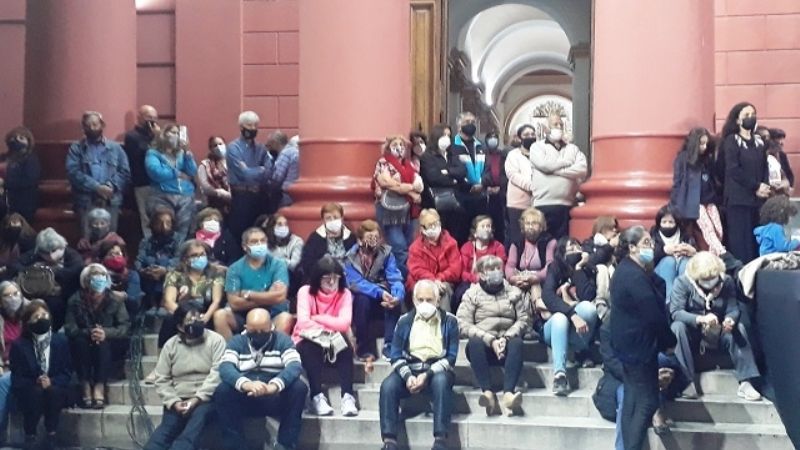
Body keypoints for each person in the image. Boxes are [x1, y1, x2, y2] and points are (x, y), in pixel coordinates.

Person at [610, 226, 677, 450]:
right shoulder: (632, 275)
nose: (651, 247)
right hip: (638, 347)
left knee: (632, 399)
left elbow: (657, 288)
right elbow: (652, 313)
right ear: (631, 248)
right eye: (646, 243)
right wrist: (669, 342)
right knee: (647, 401)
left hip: (630, 345)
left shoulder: (631, 271)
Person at [669, 252, 762, 402]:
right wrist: (700, 319)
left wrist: (730, 319)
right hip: (693, 334)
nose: (710, 282)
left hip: (719, 332)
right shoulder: (682, 283)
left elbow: (733, 308)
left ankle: (746, 381)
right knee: (677, 327)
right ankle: (686, 382)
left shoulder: (726, 282)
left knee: (740, 328)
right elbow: (676, 312)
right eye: (705, 279)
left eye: (712, 278)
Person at [379, 280, 458, 450]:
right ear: (414, 301)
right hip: (409, 369)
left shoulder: (450, 321)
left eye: (429, 300)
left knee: (441, 381)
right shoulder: (404, 321)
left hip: (436, 370)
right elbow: (395, 355)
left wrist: (427, 375)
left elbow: (451, 357)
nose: (424, 304)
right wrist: (408, 376)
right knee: (388, 386)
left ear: (437, 301)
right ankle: (389, 441)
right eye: (420, 299)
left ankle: (440, 440)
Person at [214, 308, 306, 450]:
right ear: (246, 328)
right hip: (246, 396)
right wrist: (246, 384)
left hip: (274, 396)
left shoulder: (283, 341)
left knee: (299, 388)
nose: (258, 335)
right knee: (222, 390)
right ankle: (235, 445)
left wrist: (273, 386)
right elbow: (225, 367)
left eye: (263, 331)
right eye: (254, 331)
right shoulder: (237, 342)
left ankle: (286, 444)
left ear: (272, 327)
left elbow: (295, 366)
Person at [595, 314, 688, 447]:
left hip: (650, 374)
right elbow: (613, 363)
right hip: (619, 380)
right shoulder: (609, 327)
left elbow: (670, 357)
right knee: (627, 392)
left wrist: (668, 373)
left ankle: (656, 404)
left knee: (662, 360)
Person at [144, 302, 226, 450]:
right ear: (180, 327)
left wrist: (196, 399)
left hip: (206, 399)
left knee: (194, 426)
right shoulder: (170, 345)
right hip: (179, 399)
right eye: (190, 321)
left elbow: (218, 373)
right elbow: (162, 378)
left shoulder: (216, 340)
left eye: (198, 318)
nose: (196, 323)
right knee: (162, 435)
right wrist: (174, 402)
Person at [456, 255, 529, 416]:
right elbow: (462, 323)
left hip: (507, 345)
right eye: (491, 269)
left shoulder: (513, 292)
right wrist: (490, 340)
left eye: (498, 268)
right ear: (481, 274)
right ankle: (487, 393)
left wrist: (506, 338)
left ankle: (508, 394)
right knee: (474, 343)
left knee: (517, 343)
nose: (496, 272)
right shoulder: (472, 294)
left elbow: (523, 319)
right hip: (484, 348)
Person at [292, 256, 358, 417]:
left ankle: (347, 396)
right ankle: (317, 396)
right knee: (311, 347)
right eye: (327, 278)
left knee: (344, 344)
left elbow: (344, 324)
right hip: (308, 338)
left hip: (334, 338)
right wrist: (329, 325)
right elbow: (303, 323)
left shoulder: (345, 294)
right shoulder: (305, 292)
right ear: (317, 279)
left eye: (336, 278)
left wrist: (317, 318)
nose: (332, 282)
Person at [63, 264, 130, 409]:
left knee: (102, 343)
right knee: (80, 342)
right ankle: (85, 384)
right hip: (83, 340)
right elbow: (70, 327)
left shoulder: (115, 300)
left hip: (110, 343)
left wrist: (105, 332)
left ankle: (100, 385)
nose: (99, 279)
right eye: (94, 276)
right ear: (86, 281)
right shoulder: (75, 300)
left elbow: (124, 327)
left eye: (102, 276)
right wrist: (90, 332)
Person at [540, 237, 599, 395]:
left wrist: (579, 268)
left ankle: (579, 350)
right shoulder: (555, 268)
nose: (574, 250)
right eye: (570, 248)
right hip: (553, 329)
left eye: (577, 246)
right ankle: (560, 375)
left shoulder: (588, 269)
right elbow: (547, 296)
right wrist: (571, 314)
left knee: (588, 308)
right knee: (560, 318)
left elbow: (587, 296)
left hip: (578, 333)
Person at [10, 301, 72, 449]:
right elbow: (16, 377)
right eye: (36, 316)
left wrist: (52, 381)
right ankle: (30, 435)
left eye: (44, 315)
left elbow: (67, 372)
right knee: (35, 393)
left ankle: (52, 435)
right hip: (29, 388)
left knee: (53, 392)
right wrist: (35, 381)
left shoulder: (60, 341)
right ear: (28, 322)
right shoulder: (19, 345)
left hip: (55, 386)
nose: (41, 318)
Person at [214, 227, 293, 339]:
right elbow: (234, 303)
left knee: (286, 318)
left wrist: (248, 294)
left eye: (263, 241)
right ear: (245, 247)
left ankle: (273, 353)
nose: (259, 244)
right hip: (242, 316)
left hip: (272, 314)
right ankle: (232, 353)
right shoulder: (234, 269)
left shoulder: (278, 265)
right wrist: (268, 297)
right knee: (220, 315)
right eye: (254, 242)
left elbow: (280, 297)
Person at [344, 220, 404, 360]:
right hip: (363, 299)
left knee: (395, 301)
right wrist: (380, 292)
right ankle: (363, 348)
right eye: (369, 238)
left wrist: (396, 295)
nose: (373, 242)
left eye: (376, 238)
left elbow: (395, 278)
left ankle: (390, 345)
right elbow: (355, 283)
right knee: (362, 300)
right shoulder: (349, 258)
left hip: (383, 298)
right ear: (359, 240)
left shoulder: (387, 254)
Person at [66, 111, 131, 233]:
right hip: (86, 201)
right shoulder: (76, 148)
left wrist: (109, 186)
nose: (92, 128)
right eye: (88, 125)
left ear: (102, 125)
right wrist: (97, 187)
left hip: (111, 200)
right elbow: (73, 172)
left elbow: (125, 172)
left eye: (95, 124)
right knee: (86, 241)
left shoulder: (116, 148)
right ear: (83, 128)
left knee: (110, 240)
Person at [720, 102, 769, 264]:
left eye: (753, 114)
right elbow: (733, 170)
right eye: (746, 115)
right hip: (738, 200)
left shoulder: (759, 141)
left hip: (757, 201)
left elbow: (764, 166)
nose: (751, 118)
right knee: (741, 243)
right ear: (738, 120)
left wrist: (764, 186)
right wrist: (755, 186)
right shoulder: (731, 141)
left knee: (756, 241)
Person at [670, 128, 729, 258]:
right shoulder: (683, 159)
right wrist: (675, 204)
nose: (704, 147)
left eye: (706, 144)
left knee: (718, 229)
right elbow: (678, 183)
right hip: (695, 203)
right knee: (708, 228)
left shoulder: (707, 159)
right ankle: (722, 254)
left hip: (710, 199)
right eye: (701, 143)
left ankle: (714, 256)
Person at [529, 113, 588, 239]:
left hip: (566, 206)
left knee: (563, 245)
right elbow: (544, 165)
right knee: (544, 244)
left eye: (561, 124)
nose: (559, 127)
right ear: (546, 128)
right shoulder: (537, 147)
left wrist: (557, 171)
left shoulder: (572, 148)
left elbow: (582, 169)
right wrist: (567, 163)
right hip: (543, 205)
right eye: (555, 124)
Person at [372, 135, 424, 278]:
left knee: (409, 246)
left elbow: (419, 185)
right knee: (399, 247)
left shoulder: (409, 164)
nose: (399, 147)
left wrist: (408, 189)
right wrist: (410, 190)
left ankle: (408, 279)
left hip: (409, 211)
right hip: (390, 212)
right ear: (388, 147)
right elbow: (386, 182)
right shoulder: (383, 163)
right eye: (395, 144)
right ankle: (404, 279)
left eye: (401, 144)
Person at [158, 240, 225, 349]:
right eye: (194, 255)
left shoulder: (215, 273)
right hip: (183, 314)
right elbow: (169, 302)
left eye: (202, 254)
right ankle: (162, 358)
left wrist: (205, 317)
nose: (200, 258)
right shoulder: (175, 275)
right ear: (185, 259)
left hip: (206, 314)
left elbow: (216, 301)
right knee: (169, 320)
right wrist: (186, 316)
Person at [14, 228, 83, 331]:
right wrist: (32, 269)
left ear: (62, 246)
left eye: (54, 250)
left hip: (63, 294)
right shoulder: (35, 253)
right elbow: (16, 265)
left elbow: (75, 270)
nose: (50, 256)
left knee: (55, 305)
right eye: (45, 253)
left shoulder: (72, 255)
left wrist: (51, 271)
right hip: (36, 292)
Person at [146, 123, 199, 241]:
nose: (176, 136)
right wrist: (177, 173)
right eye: (173, 132)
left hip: (185, 195)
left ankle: (180, 253)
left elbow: (192, 171)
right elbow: (156, 173)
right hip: (163, 195)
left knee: (184, 229)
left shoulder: (181, 153)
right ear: (163, 135)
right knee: (164, 227)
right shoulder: (153, 153)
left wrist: (188, 154)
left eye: (177, 133)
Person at [226, 111, 272, 242]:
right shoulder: (233, 148)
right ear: (241, 127)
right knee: (240, 234)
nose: (252, 129)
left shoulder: (261, 148)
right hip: (241, 196)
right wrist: (260, 170)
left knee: (262, 232)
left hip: (260, 196)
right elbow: (244, 175)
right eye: (249, 125)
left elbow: (269, 172)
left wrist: (251, 170)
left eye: (255, 125)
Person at [406, 209, 462, 312]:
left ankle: (444, 324)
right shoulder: (415, 247)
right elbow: (416, 269)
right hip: (422, 282)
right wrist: (432, 280)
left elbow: (455, 269)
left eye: (436, 224)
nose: (434, 228)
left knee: (443, 291)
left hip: (444, 282)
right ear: (422, 229)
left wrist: (439, 279)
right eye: (429, 225)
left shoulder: (451, 243)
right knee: (423, 293)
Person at [453, 215, 507, 314]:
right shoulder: (467, 247)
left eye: (489, 226)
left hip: (493, 281)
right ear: (475, 232)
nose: (487, 229)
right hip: (471, 282)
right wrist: (476, 279)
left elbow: (501, 269)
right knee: (460, 294)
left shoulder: (498, 247)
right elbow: (462, 273)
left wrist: (487, 278)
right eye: (483, 226)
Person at [505, 208, 556, 308]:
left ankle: (538, 306)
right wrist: (513, 278)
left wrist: (536, 277)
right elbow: (510, 265)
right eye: (527, 223)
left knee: (535, 285)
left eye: (534, 223)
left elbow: (550, 266)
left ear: (541, 226)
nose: (530, 227)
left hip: (540, 281)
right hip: (520, 279)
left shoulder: (549, 242)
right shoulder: (516, 243)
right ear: (523, 226)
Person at [419, 124, 462, 240]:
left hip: (454, 203)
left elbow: (462, 171)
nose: (446, 138)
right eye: (444, 135)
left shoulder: (453, 154)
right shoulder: (427, 157)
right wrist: (453, 180)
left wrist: (447, 171)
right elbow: (433, 177)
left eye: (449, 135)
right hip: (435, 203)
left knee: (454, 235)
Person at [450, 111, 487, 244]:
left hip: (480, 195)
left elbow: (487, 168)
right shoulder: (452, 146)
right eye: (467, 122)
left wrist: (483, 184)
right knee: (460, 233)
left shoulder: (481, 146)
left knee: (480, 233)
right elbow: (453, 170)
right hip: (461, 195)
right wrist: (469, 186)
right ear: (459, 126)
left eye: (473, 122)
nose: (471, 125)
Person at [124, 105, 160, 237]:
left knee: (161, 215)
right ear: (139, 117)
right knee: (147, 218)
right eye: (149, 117)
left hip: (159, 182)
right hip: (142, 183)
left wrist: (159, 137)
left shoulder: (157, 135)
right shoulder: (132, 136)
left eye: (155, 118)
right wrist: (157, 138)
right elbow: (143, 153)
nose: (152, 120)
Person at [136, 208, 182, 313]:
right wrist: (143, 271)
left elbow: (178, 259)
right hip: (149, 275)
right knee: (150, 260)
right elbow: (139, 259)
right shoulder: (146, 241)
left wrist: (165, 270)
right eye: (159, 223)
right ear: (153, 224)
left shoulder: (178, 240)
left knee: (164, 261)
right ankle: (152, 303)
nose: (164, 227)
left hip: (171, 275)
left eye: (167, 223)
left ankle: (162, 301)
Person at [298, 203, 357, 282]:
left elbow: (356, 262)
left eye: (336, 217)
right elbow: (308, 263)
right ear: (323, 220)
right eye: (328, 218)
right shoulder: (315, 237)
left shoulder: (351, 237)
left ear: (342, 218)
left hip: (348, 278)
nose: (332, 221)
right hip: (322, 278)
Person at [0, 281, 29, 434]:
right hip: (3, 365)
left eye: (15, 294)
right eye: (7, 295)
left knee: (3, 382)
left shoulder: (31, 314)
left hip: (24, 366)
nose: (12, 298)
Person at [651, 205, 696, 300]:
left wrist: (693, 253)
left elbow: (700, 259)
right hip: (660, 273)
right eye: (664, 222)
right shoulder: (653, 235)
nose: (667, 225)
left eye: (671, 222)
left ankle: (685, 301)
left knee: (686, 262)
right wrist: (664, 251)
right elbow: (648, 260)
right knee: (669, 261)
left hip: (681, 268)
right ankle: (669, 303)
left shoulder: (686, 236)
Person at [504, 124, 536, 248]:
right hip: (517, 203)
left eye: (533, 134)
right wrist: (531, 186)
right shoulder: (513, 155)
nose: (530, 137)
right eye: (526, 135)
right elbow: (513, 175)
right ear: (519, 138)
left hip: (535, 203)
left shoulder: (539, 154)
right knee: (517, 238)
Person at [262, 214, 304, 302]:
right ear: (272, 227)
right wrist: (284, 260)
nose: (283, 227)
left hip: (290, 276)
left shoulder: (296, 241)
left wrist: (274, 260)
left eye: (285, 224)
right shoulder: (264, 242)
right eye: (279, 224)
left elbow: (294, 265)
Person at [3, 127, 41, 223]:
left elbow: (30, 180)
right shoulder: (6, 158)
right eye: (14, 138)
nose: (16, 140)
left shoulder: (31, 159)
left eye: (21, 138)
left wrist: (6, 183)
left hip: (24, 201)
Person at [98, 241, 143, 318]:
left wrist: (124, 297)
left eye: (118, 254)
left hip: (127, 318)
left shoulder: (132, 275)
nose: (115, 257)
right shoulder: (98, 275)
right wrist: (111, 295)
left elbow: (134, 302)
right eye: (110, 254)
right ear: (102, 258)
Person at [482, 131, 507, 245]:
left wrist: (500, 187)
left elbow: (506, 173)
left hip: (501, 193)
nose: (493, 140)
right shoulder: (482, 154)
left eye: (495, 137)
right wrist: (485, 186)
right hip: (485, 193)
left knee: (500, 222)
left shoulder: (503, 155)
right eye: (490, 138)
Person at [197, 136, 231, 214]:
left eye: (220, 144)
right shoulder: (205, 165)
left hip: (234, 203)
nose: (218, 147)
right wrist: (220, 192)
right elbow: (205, 186)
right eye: (215, 145)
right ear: (211, 149)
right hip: (214, 205)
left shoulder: (232, 163)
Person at [0, 213, 37, 282]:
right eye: (10, 223)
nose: (12, 225)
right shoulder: (5, 239)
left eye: (14, 222)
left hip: (19, 269)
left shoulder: (29, 238)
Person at [268, 131, 300, 208]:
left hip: (287, 194)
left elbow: (277, 177)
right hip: (296, 193)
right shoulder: (295, 152)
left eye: (270, 145)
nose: (269, 148)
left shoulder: (285, 154)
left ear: (275, 143)